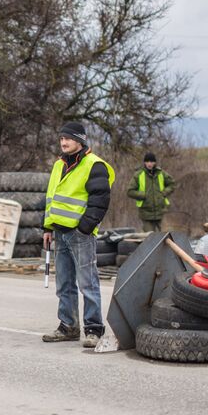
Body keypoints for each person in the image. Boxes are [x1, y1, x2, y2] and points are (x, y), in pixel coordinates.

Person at [41, 122, 115, 349]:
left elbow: (100, 200)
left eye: (68, 139)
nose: (63, 143)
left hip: (80, 234)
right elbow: (51, 198)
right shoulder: (58, 165)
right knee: (64, 284)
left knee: (87, 283)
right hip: (60, 232)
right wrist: (47, 227)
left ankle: (93, 329)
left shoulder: (95, 165)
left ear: (80, 140)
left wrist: (84, 228)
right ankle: (68, 326)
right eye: (62, 138)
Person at [126, 152, 175, 233]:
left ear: (155, 162)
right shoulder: (138, 175)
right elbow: (130, 191)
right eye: (147, 161)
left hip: (161, 212)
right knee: (150, 238)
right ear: (144, 162)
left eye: (151, 162)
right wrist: (143, 195)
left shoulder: (161, 173)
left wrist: (164, 193)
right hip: (146, 213)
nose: (149, 164)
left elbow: (172, 184)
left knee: (166, 236)